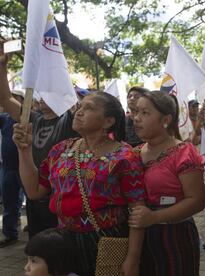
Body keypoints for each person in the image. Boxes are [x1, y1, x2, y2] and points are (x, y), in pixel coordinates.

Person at [13, 92, 146, 276]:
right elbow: (34, 190)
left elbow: (138, 210)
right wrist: (24, 150)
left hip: (105, 241)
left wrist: (133, 258)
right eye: (80, 106)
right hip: (63, 242)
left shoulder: (125, 156)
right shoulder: (62, 149)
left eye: (89, 108)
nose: (79, 112)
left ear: (108, 121)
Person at [0, 45, 80, 239]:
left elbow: (74, 103)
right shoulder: (33, 119)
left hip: (60, 195)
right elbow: (6, 98)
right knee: (38, 245)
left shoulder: (69, 121)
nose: (40, 97)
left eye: (47, 93)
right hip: (35, 191)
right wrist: (2, 67)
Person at [129, 90, 205, 276]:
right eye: (136, 112)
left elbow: (196, 200)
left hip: (175, 237)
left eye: (145, 113)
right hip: (138, 236)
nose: (137, 118)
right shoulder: (134, 153)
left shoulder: (184, 153)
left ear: (166, 120)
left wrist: (155, 217)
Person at [0, 89, 25, 248]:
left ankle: (38, 235)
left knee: (34, 203)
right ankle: (10, 234)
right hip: (7, 168)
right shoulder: (4, 119)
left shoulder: (31, 118)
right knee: (9, 203)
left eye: (14, 99)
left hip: (26, 168)